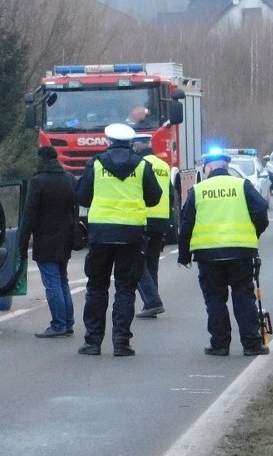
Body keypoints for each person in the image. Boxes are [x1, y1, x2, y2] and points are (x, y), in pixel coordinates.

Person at [75, 123, 162, 356]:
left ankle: (93, 342)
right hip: (132, 235)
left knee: (96, 287)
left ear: (108, 141)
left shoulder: (95, 164)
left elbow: (82, 196)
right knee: (125, 289)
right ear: (131, 143)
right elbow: (154, 198)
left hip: (101, 234)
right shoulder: (143, 166)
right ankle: (121, 343)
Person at [178, 149, 270, 356]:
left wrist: (184, 255)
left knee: (215, 299)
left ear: (208, 167)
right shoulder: (242, 185)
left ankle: (220, 344)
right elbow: (261, 211)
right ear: (226, 166)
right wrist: (253, 234)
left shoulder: (198, 190)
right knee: (243, 297)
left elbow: (186, 225)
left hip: (208, 256)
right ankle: (252, 344)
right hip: (240, 253)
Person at [18, 146, 78, 338]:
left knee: (52, 283)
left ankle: (58, 324)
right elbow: (74, 208)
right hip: (65, 237)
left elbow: (29, 214)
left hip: (45, 238)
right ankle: (67, 323)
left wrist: (22, 241)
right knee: (62, 280)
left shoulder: (38, 181)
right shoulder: (68, 179)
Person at [132, 136, 175, 319]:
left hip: (144, 219)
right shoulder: (164, 166)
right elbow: (172, 196)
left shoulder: (139, 165)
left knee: (137, 263)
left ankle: (152, 301)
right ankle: (152, 303)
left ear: (136, 146)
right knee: (152, 264)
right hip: (161, 221)